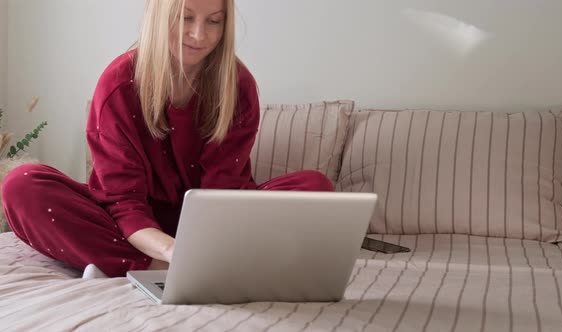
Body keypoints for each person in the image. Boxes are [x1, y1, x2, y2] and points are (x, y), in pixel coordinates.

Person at [1, 0, 333, 278]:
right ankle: (157, 267)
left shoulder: (238, 86)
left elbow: (224, 193)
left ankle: (134, 266)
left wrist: (205, 247)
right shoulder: (118, 85)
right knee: (21, 186)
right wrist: (173, 251)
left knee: (316, 188)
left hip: (215, 224)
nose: (199, 34)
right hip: (129, 227)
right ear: (160, 16)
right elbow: (123, 202)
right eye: (184, 18)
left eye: (214, 21)